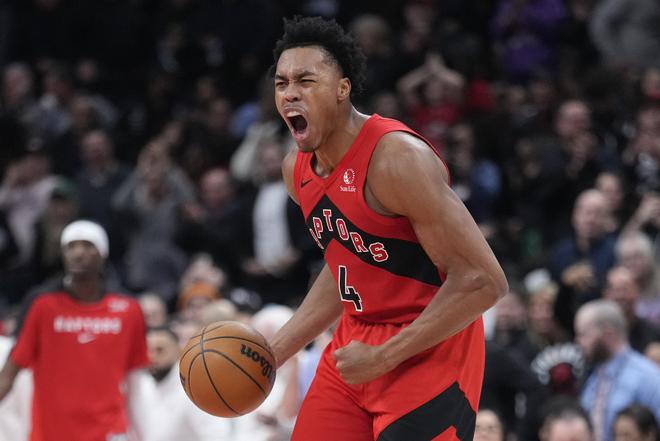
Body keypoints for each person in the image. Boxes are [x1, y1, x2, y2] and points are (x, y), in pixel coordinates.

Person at [266, 16, 508, 441]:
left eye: (306, 80)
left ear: (342, 89)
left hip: (431, 342)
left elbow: (483, 281)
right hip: (356, 341)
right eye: (282, 83)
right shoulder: (297, 171)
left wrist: (385, 356)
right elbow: (348, 265)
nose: (290, 93)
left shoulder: (396, 159)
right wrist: (273, 353)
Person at [0, 220, 151, 441]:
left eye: (88, 245)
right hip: (52, 434)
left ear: (103, 253)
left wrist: (142, 435)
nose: (78, 253)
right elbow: (10, 372)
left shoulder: (128, 309)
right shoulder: (42, 306)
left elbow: (136, 381)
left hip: (109, 431)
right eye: (71, 246)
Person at [575, 299, 660, 441]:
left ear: (608, 334)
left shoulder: (648, 378)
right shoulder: (593, 376)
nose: (579, 342)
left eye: (584, 334)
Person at [143, 325, 233, 441]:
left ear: (178, 350)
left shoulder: (195, 388)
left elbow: (218, 436)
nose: (151, 356)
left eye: (160, 350)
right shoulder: (142, 386)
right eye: (148, 351)